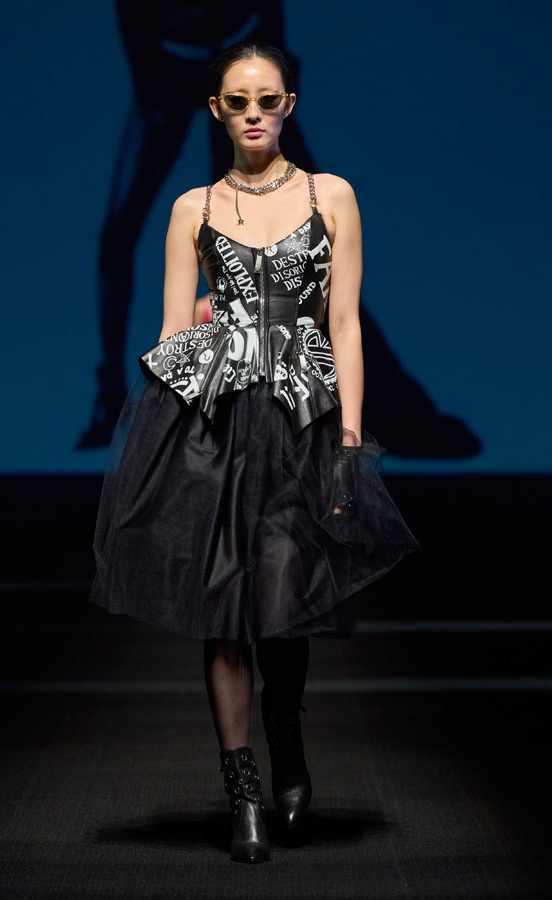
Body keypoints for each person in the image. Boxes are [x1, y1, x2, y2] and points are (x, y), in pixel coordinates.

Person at [88, 41, 419, 864]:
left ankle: (287, 746)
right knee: (223, 609)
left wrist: (350, 436)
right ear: (216, 111)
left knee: (281, 603)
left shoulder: (330, 195)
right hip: (217, 430)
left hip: (301, 425)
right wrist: (200, 339)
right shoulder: (192, 209)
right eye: (237, 102)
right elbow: (171, 334)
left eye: (267, 100)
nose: (254, 115)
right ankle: (244, 795)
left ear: (289, 105)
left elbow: (343, 324)